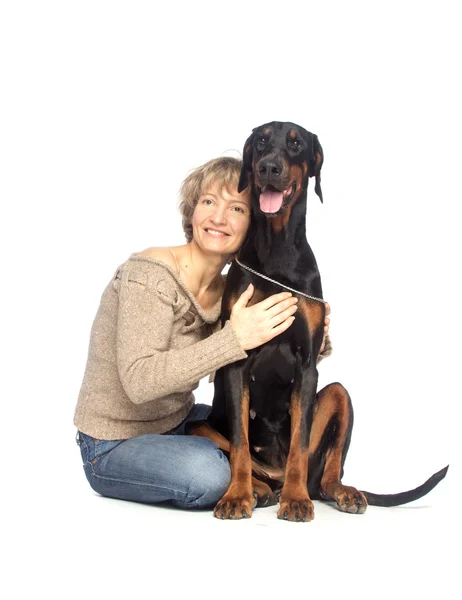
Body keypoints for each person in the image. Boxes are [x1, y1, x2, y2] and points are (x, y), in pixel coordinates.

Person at [74, 156, 332, 510]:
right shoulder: (148, 275)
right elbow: (139, 382)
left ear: (253, 222)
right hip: (113, 444)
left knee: (256, 424)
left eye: (237, 208)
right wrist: (235, 338)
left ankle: (271, 475)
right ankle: (261, 474)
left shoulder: (231, 290)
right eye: (208, 202)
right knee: (207, 475)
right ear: (192, 212)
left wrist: (314, 334)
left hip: (177, 422)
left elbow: (250, 360)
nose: (219, 218)